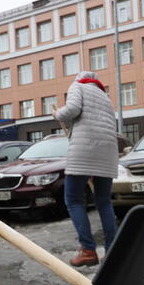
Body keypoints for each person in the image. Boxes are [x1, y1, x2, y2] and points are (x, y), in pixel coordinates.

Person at [53, 71, 119, 267]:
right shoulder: (104, 97)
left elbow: (72, 110)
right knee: (104, 202)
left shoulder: (77, 86)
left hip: (84, 149)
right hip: (107, 151)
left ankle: (88, 250)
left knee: (73, 200)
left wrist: (58, 114)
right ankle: (113, 250)